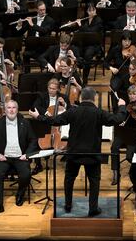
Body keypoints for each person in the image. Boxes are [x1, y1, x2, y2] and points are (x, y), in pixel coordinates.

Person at [29, 86, 127, 216]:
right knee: (94, 181)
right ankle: (93, 208)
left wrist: (38, 116)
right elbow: (118, 119)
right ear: (94, 98)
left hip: (74, 153)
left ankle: (68, 205)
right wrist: (121, 106)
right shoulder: (99, 113)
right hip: (92, 154)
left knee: (69, 179)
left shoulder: (73, 112)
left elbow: (55, 120)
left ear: (81, 98)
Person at [0, 100, 37, 216]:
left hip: (20, 157)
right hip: (4, 157)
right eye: (9, 108)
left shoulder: (25, 123)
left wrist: (27, 154)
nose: (11, 110)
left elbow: (33, 140)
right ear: (5, 110)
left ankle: (20, 194)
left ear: (17, 109)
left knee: (26, 174)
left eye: (14, 107)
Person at [31, 78, 71, 175]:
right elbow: (35, 106)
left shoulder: (63, 97)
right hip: (45, 123)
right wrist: (45, 112)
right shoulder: (42, 96)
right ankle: (38, 164)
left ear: (57, 89)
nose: (51, 90)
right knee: (37, 138)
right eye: (50, 88)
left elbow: (70, 111)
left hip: (58, 125)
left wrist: (64, 104)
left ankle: (69, 162)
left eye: (54, 89)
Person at [110, 85, 136, 185]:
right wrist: (121, 122)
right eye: (130, 94)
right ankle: (115, 172)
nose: (132, 96)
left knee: (129, 156)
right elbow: (118, 118)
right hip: (123, 133)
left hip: (135, 135)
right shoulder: (125, 106)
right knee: (114, 148)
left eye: (134, 94)